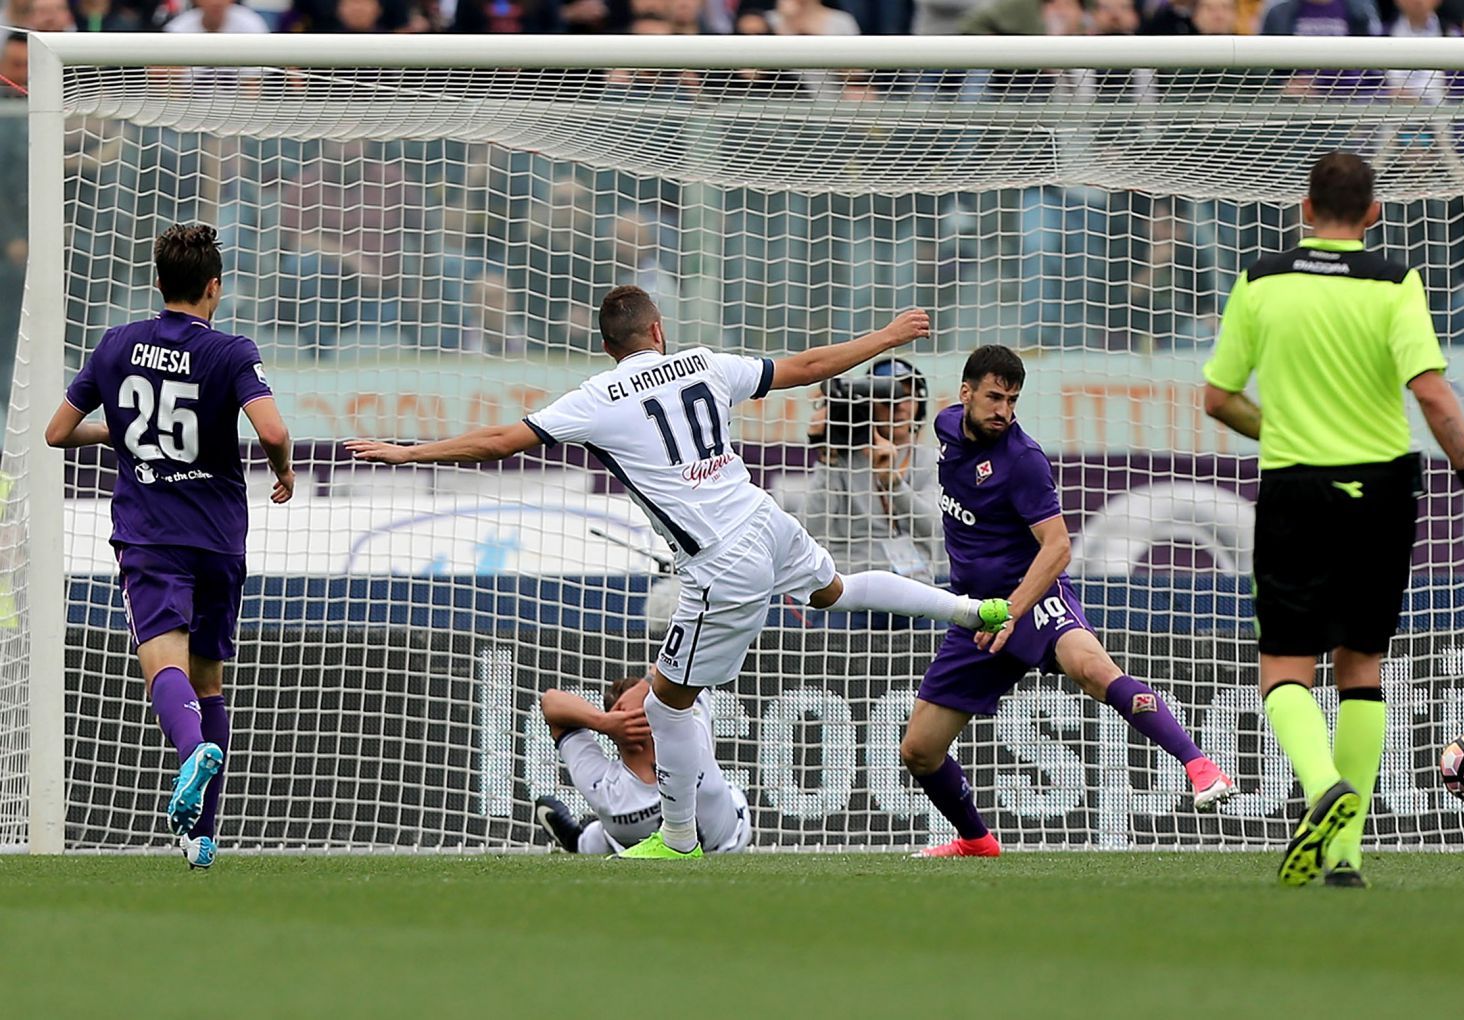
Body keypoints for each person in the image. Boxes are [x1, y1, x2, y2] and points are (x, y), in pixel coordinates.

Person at [346, 287, 1010, 860]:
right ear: (658, 333)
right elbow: (807, 367)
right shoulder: (700, 363)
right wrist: (889, 335)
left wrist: (408, 452)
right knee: (834, 589)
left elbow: (497, 443)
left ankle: (680, 840)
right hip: (763, 517)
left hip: (720, 561)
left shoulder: (596, 397)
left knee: (666, 704)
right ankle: (968, 609)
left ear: (610, 347)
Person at [1201, 151, 1464, 889]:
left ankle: (1320, 789)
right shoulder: (1395, 282)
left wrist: (1275, 427)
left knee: (1284, 663)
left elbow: (1216, 399)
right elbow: (1434, 397)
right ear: (1372, 214)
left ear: (1305, 208)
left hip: (1296, 487)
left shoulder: (1260, 280)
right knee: (1361, 663)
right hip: (1381, 492)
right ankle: (1345, 856)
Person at [903, 345, 1236, 859]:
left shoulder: (1022, 460)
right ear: (965, 393)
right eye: (994, 397)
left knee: (1092, 669)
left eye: (1012, 400)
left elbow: (1058, 548)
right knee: (920, 751)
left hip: (1030, 598)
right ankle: (977, 841)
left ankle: (1200, 766)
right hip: (977, 611)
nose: (1003, 411)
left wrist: (1014, 609)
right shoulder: (947, 427)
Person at [42, 223, 296, 870]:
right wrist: (285, 469)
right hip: (217, 537)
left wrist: (119, 432)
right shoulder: (232, 352)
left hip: (150, 534)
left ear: (159, 285)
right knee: (209, 684)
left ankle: (189, 755)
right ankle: (200, 838)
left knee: (164, 668)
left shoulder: (116, 344)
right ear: (214, 288)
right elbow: (272, 429)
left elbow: (55, 433)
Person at [532, 677, 752, 856]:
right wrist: (644, 686)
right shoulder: (691, 729)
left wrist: (602, 722)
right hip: (728, 840)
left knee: (603, 840)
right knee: (615, 838)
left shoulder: (604, 790)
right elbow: (687, 660)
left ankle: (575, 840)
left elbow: (551, 703)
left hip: (720, 840)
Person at [801, 358, 943, 583]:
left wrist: (894, 484)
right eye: (886, 397)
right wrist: (827, 457)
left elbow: (933, 527)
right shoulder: (843, 456)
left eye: (906, 396)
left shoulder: (931, 460)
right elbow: (811, 527)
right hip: (852, 586)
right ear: (867, 404)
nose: (898, 405)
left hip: (914, 585)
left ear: (920, 404)